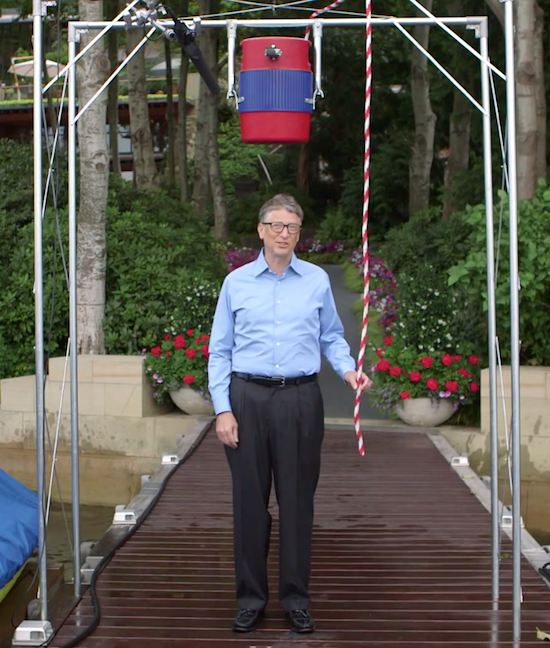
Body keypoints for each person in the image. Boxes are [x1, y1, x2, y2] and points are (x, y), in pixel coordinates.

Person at [208, 193, 371, 634]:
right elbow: (219, 352)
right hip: (246, 400)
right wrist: (223, 410)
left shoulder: (316, 281)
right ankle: (250, 600)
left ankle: (296, 599)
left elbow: (332, 337)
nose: (284, 234)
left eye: (292, 227)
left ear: (299, 233)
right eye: (277, 226)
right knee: (249, 505)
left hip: (300, 401)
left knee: (297, 503)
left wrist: (348, 369)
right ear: (260, 230)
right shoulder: (236, 283)